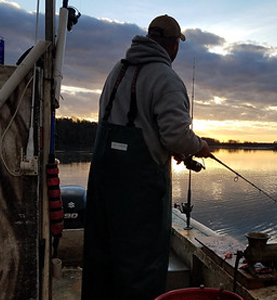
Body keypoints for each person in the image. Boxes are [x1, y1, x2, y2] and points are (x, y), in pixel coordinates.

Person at [82, 14, 211, 300]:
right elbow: (176, 134)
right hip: (139, 191)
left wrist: (171, 149)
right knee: (140, 265)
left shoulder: (117, 70)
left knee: (101, 259)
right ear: (174, 44)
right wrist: (198, 147)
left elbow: (142, 126)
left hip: (103, 181)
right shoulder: (166, 78)